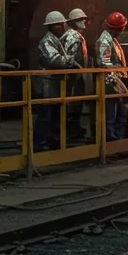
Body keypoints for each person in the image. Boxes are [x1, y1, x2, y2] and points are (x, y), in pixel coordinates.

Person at [33, 11, 77, 152]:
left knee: (53, 115)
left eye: (62, 23)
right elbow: (53, 59)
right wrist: (70, 61)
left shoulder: (56, 39)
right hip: (47, 82)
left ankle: (51, 140)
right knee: (45, 114)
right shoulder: (47, 41)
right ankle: (39, 143)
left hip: (54, 82)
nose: (63, 26)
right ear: (52, 26)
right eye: (59, 24)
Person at [95, 12, 128, 142]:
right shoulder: (105, 40)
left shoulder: (111, 39)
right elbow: (104, 63)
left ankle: (118, 137)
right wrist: (115, 81)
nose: (123, 30)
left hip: (114, 79)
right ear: (117, 29)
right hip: (110, 81)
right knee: (111, 112)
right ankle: (110, 139)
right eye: (122, 27)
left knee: (121, 111)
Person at [61, 8, 91, 141]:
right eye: (80, 20)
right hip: (73, 76)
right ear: (73, 22)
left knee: (75, 102)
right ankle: (71, 131)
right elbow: (69, 58)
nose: (83, 22)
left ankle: (73, 130)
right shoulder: (72, 36)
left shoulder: (74, 35)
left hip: (76, 75)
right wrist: (76, 71)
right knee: (73, 102)